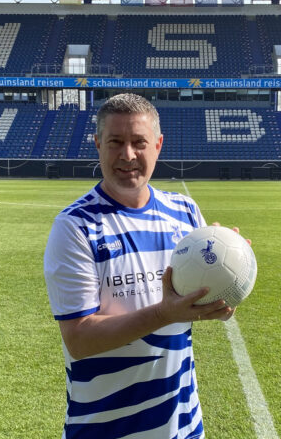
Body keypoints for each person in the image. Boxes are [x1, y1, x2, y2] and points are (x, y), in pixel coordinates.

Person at [43, 93, 234, 438]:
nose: (128, 155)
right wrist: (163, 314)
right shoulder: (75, 227)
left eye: (139, 142)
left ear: (157, 145)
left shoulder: (185, 212)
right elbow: (79, 339)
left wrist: (228, 269)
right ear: (98, 144)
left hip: (183, 427)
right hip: (105, 429)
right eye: (115, 142)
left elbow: (204, 296)